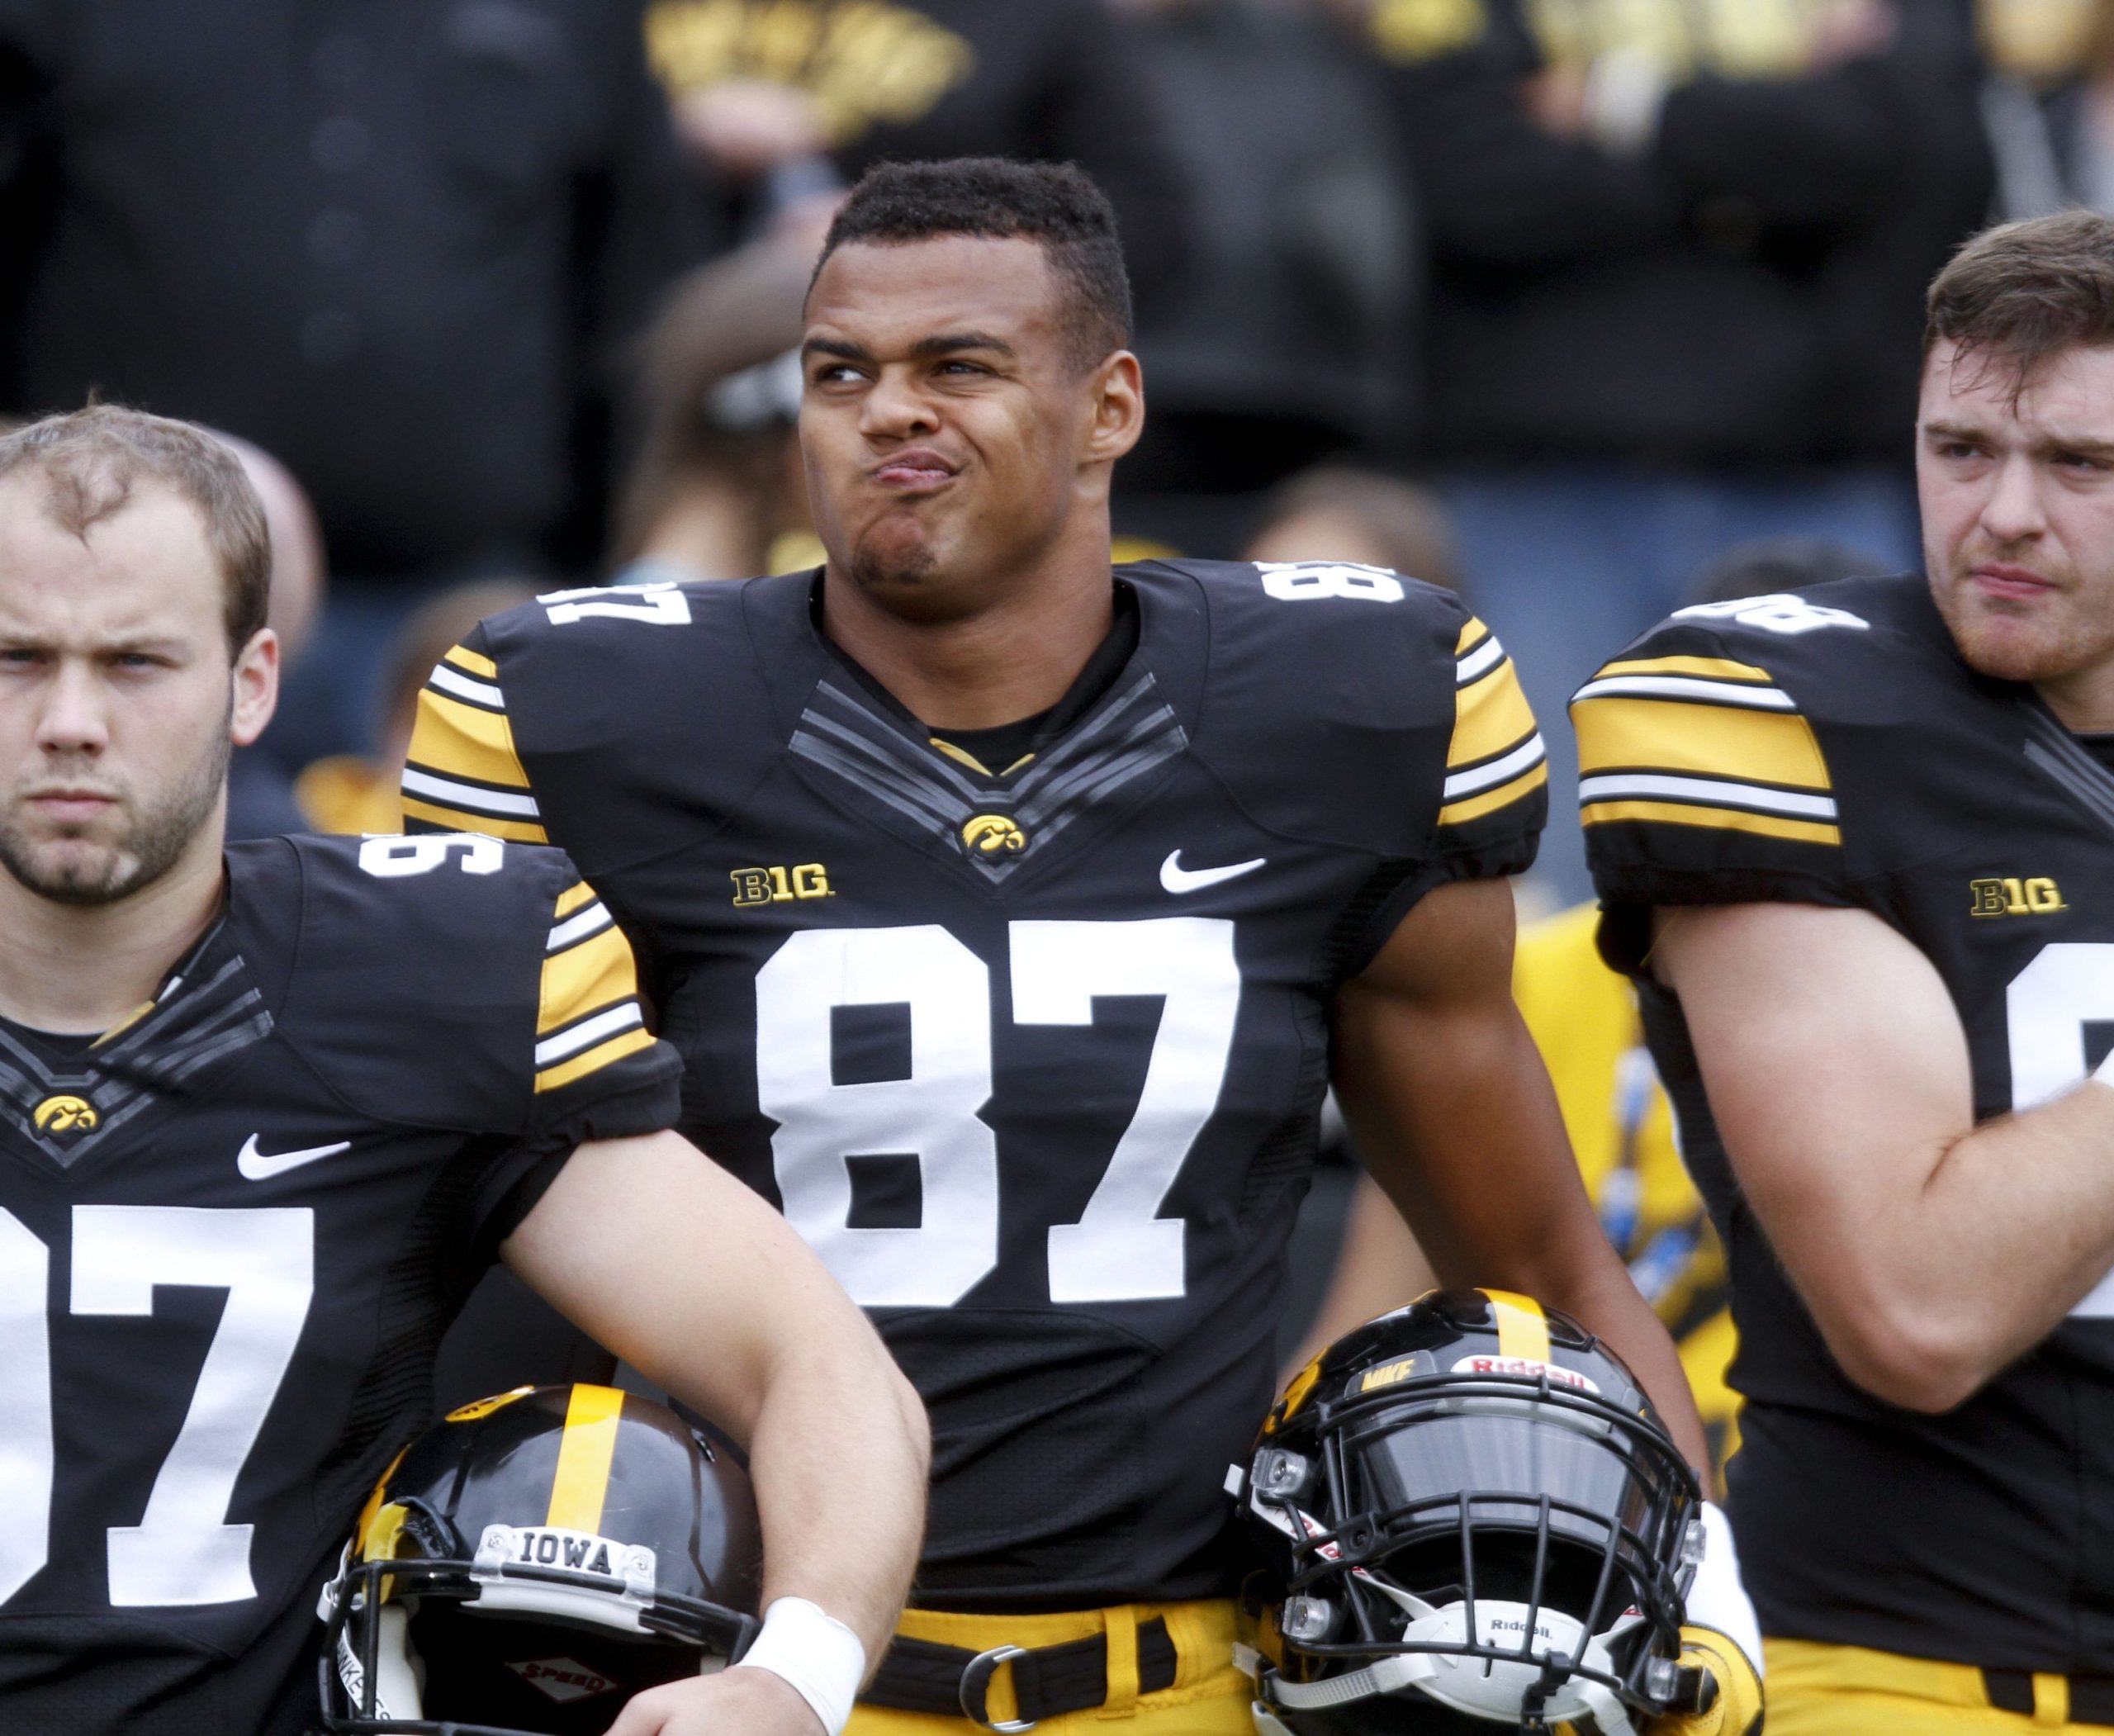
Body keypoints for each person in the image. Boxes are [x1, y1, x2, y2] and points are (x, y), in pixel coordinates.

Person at [404, 156, 1754, 1734]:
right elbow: (422, 1239)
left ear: (1112, 406)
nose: (887, 411)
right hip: (736, 1670)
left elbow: (1529, 1252)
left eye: (958, 366)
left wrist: (1709, 1599)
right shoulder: (592, 723)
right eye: (841, 372)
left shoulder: (1346, 707)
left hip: (1174, 1673)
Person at [0, 405, 927, 1736]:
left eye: (137, 661)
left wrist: (798, 1675)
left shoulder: (423, 973)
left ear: (254, 681)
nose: (71, 720)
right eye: (17, 657)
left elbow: (815, 1363)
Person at [1572, 206, 2114, 1732]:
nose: (2002, 514)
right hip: (1920, 1672)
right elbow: (1916, 1306)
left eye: (2083, 465)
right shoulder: (1775, 714)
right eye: (1959, 450)